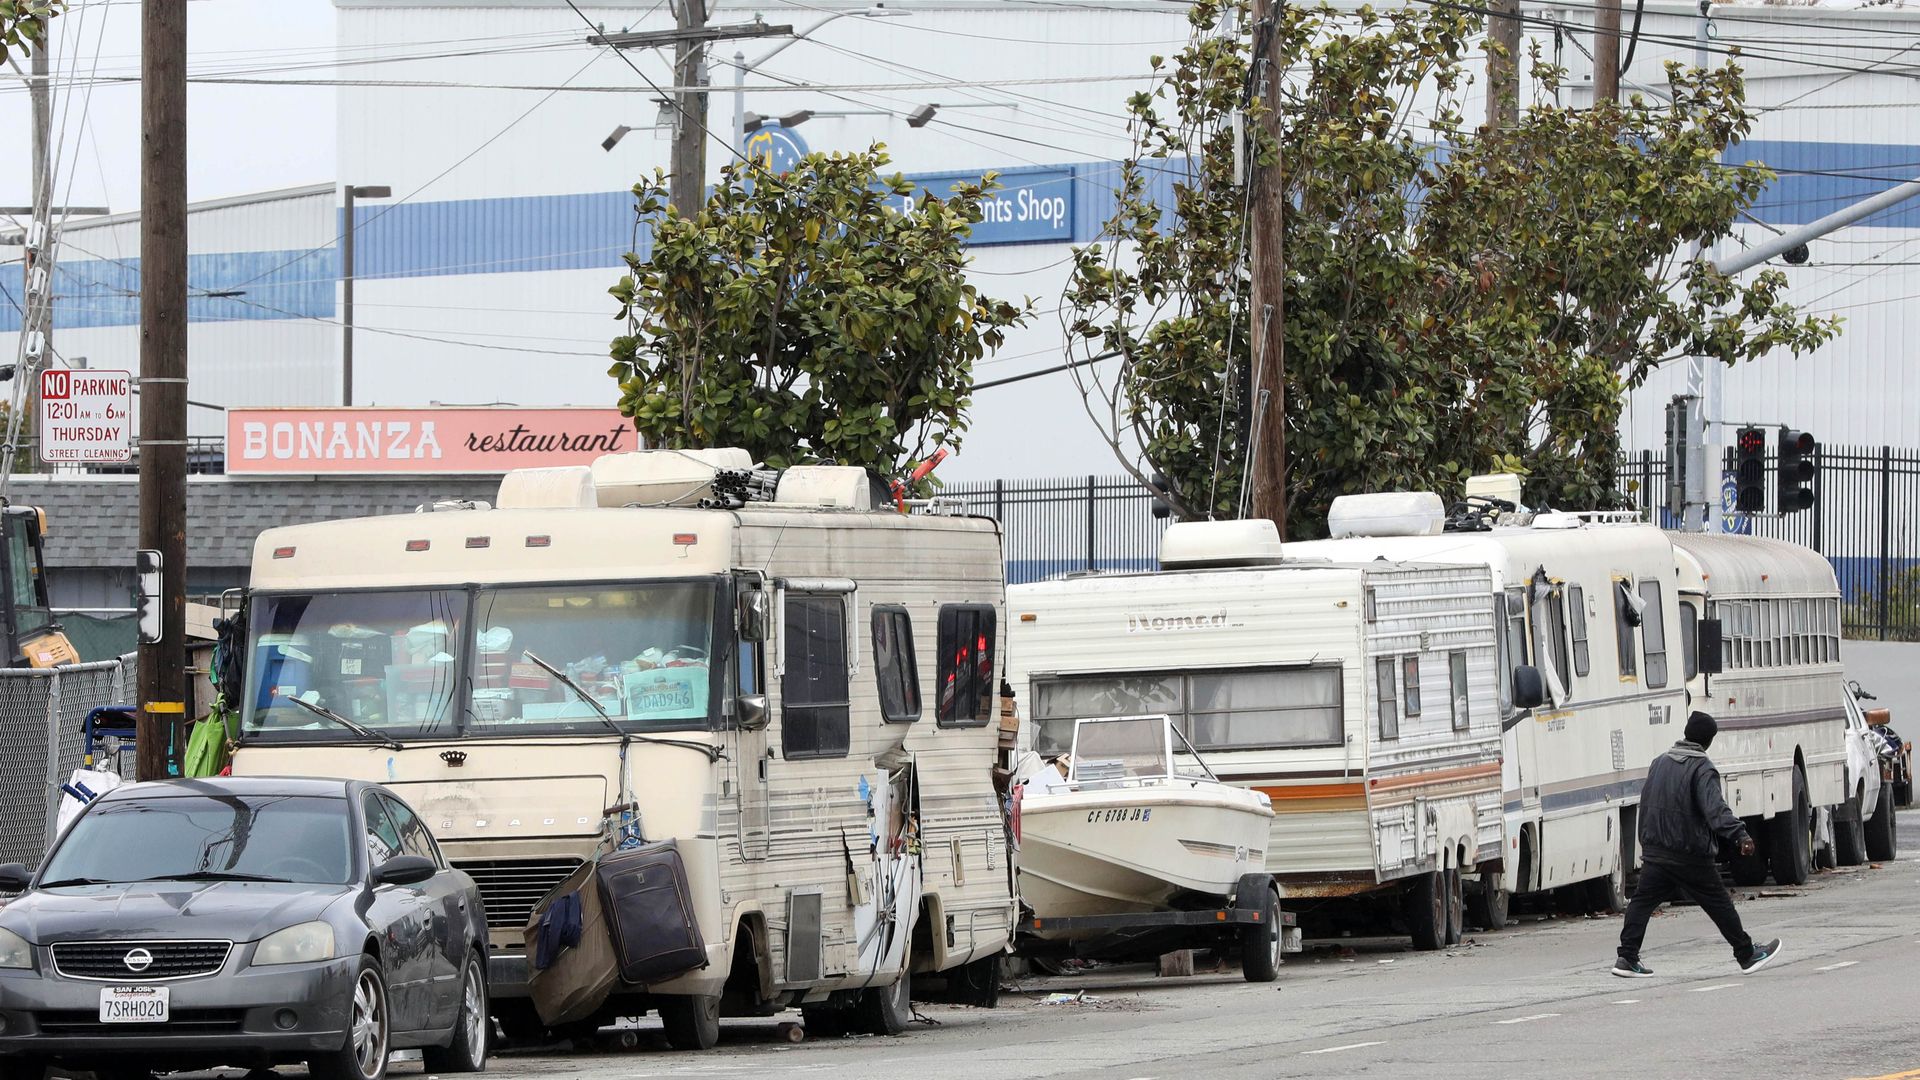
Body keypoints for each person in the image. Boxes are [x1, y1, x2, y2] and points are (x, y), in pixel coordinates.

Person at [1614, 711, 1781, 978]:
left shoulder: (1659, 762)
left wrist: (1647, 842)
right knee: (1719, 904)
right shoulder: (1703, 768)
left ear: (1686, 733)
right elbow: (1715, 810)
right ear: (1709, 740)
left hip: (1657, 851)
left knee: (1642, 903)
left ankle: (1626, 957)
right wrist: (1740, 835)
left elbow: (1645, 803)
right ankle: (1747, 954)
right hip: (1689, 854)